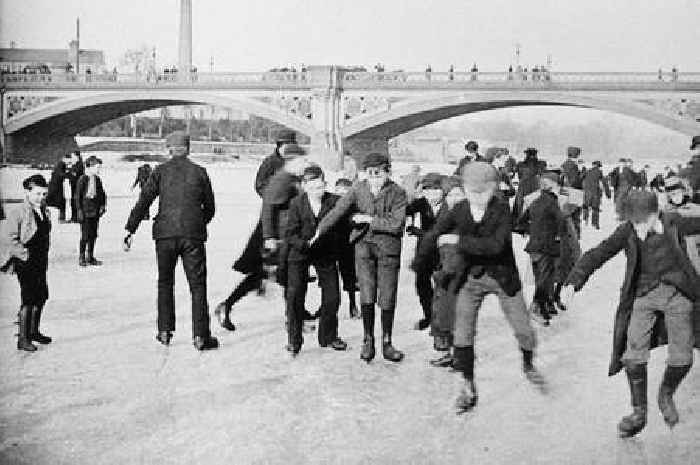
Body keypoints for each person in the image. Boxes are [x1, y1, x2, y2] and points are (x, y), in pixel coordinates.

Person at [562, 190, 700, 437]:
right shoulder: (627, 231)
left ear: (654, 214)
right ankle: (638, 412)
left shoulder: (675, 222)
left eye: (641, 222)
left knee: (683, 357)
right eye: (632, 222)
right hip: (643, 295)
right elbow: (598, 253)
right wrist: (573, 282)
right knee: (633, 356)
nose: (637, 228)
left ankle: (666, 393)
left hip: (678, 295)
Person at [413, 162, 543, 414]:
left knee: (523, 329)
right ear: (465, 189)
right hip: (471, 278)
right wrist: (419, 262)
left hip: (501, 276)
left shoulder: (501, 210)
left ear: (493, 189)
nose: (479, 198)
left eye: (484, 193)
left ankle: (528, 363)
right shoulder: (460, 209)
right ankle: (467, 384)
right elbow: (434, 233)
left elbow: (496, 245)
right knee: (462, 333)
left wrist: (459, 240)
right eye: (473, 193)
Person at [123, 131, 218, 351]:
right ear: (189, 148)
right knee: (197, 285)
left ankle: (164, 331)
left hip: (164, 235)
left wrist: (130, 228)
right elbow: (211, 208)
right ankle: (200, 336)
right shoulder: (200, 172)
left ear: (169, 149)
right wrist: (196, 223)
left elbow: (144, 201)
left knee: (165, 282)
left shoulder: (160, 172)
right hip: (192, 236)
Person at [312, 152, 407, 363]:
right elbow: (338, 210)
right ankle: (368, 339)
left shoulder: (398, 193)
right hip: (363, 247)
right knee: (366, 293)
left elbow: (396, 224)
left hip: (388, 250)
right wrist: (319, 231)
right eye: (369, 172)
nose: (373, 176)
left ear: (387, 172)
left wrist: (367, 219)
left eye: (378, 172)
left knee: (388, 295)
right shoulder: (358, 188)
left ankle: (387, 343)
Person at [284, 165, 348, 355]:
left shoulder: (335, 201)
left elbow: (350, 209)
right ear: (304, 187)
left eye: (320, 187)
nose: (317, 192)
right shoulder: (297, 203)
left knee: (332, 297)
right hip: (300, 253)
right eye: (312, 188)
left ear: (325, 184)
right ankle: (294, 340)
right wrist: (304, 244)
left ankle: (328, 336)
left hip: (325, 254)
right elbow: (290, 234)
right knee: (295, 295)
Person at [1, 175, 53, 351]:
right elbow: (9, 238)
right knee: (29, 298)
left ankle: (34, 332)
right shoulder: (18, 212)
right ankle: (23, 339)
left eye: (44, 194)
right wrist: (24, 254)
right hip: (26, 261)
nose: (41, 197)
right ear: (27, 192)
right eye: (37, 194)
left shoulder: (44, 210)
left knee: (42, 295)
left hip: (40, 260)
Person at [428, 175, 465, 367]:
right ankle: (451, 352)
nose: (455, 198)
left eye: (459, 194)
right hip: (444, 268)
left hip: (460, 269)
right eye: (451, 194)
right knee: (445, 310)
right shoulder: (444, 212)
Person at [406, 173, 445, 331]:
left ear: (443, 191)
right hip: (425, 250)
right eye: (428, 190)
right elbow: (406, 210)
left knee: (442, 286)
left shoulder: (450, 205)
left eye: (436, 190)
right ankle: (429, 315)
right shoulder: (421, 203)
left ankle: (441, 320)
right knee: (421, 282)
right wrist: (409, 220)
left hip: (444, 250)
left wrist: (418, 231)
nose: (432, 194)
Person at [75, 156, 107, 266]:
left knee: (93, 234)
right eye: (97, 167)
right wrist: (79, 210)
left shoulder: (97, 179)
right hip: (85, 211)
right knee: (85, 235)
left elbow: (102, 194)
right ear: (90, 167)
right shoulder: (82, 179)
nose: (99, 170)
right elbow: (77, 196)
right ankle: (82, 257)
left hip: (95, 211)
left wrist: (103, 205)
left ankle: (91, 256)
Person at [334, 178, 359, 319]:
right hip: (331, 245)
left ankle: (352, 304)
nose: (341, 195)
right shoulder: (331, 204)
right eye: (339, 191)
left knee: (348, 277)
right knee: (329, 280)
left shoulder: (354, 206)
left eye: (345, 192)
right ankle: (328, 306)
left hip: (347, 246)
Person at [255, 130, 297, 197]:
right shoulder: (269, 162)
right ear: (280, 145)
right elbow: (260, 185)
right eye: (287, 146)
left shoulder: (297, 161)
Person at [513, 147, 546, 220]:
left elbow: (519, 175)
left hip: (524, 186)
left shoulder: (520, 164)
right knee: (532, 203)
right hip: (534, 186)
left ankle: (519, 221)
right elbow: (542, 174)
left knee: (521, 205)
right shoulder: (541, 164)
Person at [582, 160, 611, 229]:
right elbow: (604, 183)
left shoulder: (587, 171)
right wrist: (608, 194)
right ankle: (595, 224)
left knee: (586, 206)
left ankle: (585, 220)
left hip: (586, 193)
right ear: (598, 166)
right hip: (595, 193)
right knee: (595, 208)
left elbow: (581, 179)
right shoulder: (599, 172)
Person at [46, 154, 70, 222]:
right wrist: (69, 175)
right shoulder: (61, 164)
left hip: (55, 185)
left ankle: (61, 218)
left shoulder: (60, 164)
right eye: (68, 160)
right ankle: (61, 219)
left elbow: (58, 173)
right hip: (56, 186)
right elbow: (60, 174)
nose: (69, 162)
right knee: (61, 202)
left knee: (54, 201)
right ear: (65, 159)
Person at [67, 151, 85, 223]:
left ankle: (76, 217)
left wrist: (71, 173)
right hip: (74, 185)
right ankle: (74, 217)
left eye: (73, 156)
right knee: (73, 201)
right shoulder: (75, 164)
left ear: (77, 157)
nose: (72, 158)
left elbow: (75, 174)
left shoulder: (79, 165)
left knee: (76, 201)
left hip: (77, 186)